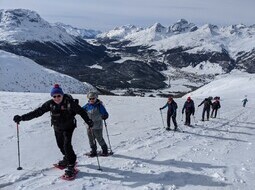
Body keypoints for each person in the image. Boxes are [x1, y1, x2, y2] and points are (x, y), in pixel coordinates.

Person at [13, 84, 93, 178]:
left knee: (67, 145)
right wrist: (22, 118)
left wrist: (88, 121)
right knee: (60, 145)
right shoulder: (50, 104)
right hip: (57, 127)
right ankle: (67, 158)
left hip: (68, 127)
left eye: (59, 95)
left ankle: (71, 164)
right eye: (54, 96)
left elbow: (81, 111)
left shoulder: (69, 103)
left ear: (62, 95)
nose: (56, 98)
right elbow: (37, 112)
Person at [82, 91, 109, 157]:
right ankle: (93, 151)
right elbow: (81, 110)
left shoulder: (99, 105)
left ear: (96, 98)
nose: (91, 100)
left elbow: (105, 113)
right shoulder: (87, 105)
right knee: (91, 139)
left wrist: (105, 116)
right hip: (89, 126)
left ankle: (105, 150)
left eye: (93, 98)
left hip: (97, 126)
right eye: (90, 98)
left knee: (99, 138)